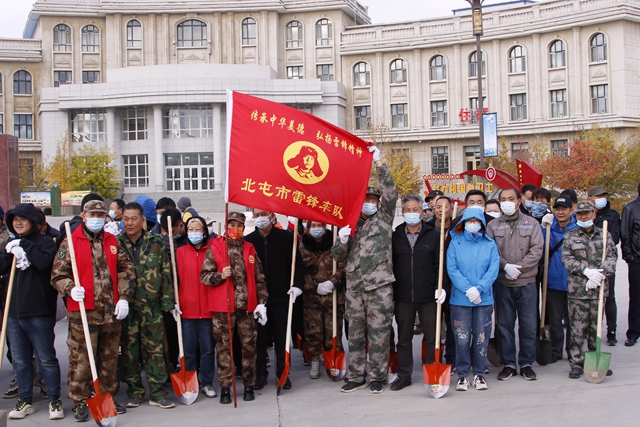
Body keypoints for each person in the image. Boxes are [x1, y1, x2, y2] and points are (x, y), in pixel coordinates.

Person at [51, 200, 135, 422]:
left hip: (110, 311)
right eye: (92, 214)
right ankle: (80, 399)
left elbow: (126, 270)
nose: (96, 218)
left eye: (100, 214)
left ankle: (106, 396)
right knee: (81, 358)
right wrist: (70, 289)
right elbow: (57, 275)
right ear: (83, 215)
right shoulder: (71, 241)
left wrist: (124, 298)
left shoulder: (112, 241)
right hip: (82, 312)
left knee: (109, 357)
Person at [332, 145, 397, 394]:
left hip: (379, 286)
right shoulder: (349, 223)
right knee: (355, 334)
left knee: (379, 333)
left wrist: (379, 164)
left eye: (373, 200)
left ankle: (377, 376)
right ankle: (357, 375)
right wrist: (342, 240)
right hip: (355, 287)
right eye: (366, 200)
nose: (369, 203)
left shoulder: (384, 219)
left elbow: (391, 193)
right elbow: (337, 256)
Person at [0, 203, 63, 420]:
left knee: (46, 359)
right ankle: (25, 399)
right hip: (14, 313)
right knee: (20, 360)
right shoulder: (10, 243)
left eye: (23, 219)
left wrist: (25, 245)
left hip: (39, 312)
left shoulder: (45, 243)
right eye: (15, 220)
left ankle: (54, 399)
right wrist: (9, 252)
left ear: (32, 222)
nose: (18, 223)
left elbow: (44, 263)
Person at [201, 212, 268, 403]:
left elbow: (259, 278)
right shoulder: (216, 247)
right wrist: (220, 275)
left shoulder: (249, 248)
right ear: (226, 226)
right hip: (223, 308)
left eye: (239, 225)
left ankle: (249, 385)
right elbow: (204, 276)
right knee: (224, 349)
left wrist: (262, 302)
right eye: (232, 225)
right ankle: (225, 387)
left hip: (246, 308)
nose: (235, 229)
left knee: (248, 347)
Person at [118, 202, 176, 409]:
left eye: (134, 219)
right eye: (126, 219)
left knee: (155, 350)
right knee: (130, 351)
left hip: (152, 306)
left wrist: (168, 301)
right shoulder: (116, 243)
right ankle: (135, 392)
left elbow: (166, 271)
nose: (129, 223)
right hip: (127, 307)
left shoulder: (155, 241)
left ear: (142, 220)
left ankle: (158, 393)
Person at [486, 188, 544, 381]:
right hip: (503, 283)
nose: (507, 202)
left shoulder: (532, 223)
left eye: (511, 199)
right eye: (503, 199)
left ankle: (527, 363)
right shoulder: (493, 226)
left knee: (528, 326)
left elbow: (537, 249)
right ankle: (509, 364)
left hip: (526, 282)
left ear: (519, 201)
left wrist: (519, 267)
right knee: (504, 326)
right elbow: (490, 250)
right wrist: (505, 266)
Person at [245, 208, 304, 391]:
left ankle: (283, 372)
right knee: (260, 339)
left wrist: (297, 285)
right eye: (256, 215)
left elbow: (298, 264)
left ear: (272, 216)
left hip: (281, 297)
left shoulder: (286, 238)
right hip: (258, 300)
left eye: (263, 214)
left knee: (281, 338)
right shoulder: (248, 241)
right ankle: (260, 374)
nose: (260, 218)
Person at [390, 195, 444, 391]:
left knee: (431, 337)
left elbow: (440, 265)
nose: (411, 213)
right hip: (403, 296)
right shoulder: (395, 236)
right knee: (404, 339)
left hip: (428, 295)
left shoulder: (434, 235)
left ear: (422, 212)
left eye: (415, 209)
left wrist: (441, 288)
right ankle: (404, 375)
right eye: (408, 210)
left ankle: (432, 372)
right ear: (402, 212)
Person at [562, 201, 617, 378]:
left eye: (587, 213)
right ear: (576, 215)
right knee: (578, 330)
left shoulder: (604, 235)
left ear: (594, 214)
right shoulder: (570, 236)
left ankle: (595, 359)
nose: (583, 216)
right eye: (580, 214)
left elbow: (612, 257)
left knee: (596, 329)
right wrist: (586, 271)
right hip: (578, 291)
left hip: (598, 291)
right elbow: (567, 259)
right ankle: (577, 363)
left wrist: (599, 275)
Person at [447, 208, 500, 391]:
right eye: (469, 221)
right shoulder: (455, 242)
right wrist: (467, 288)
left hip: (483, 300)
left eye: (476, 221)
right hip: (460, 299)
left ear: (482, 223)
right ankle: (462, 375)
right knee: (462, 338)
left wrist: (479, 289)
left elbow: (493, 268)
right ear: (463, 223)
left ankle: (479, 373)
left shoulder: (489, 244)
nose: (472, 224)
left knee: (481, 338)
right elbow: (452, 268)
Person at [175, 216, 217, 398]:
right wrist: (174, 302)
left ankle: (207, 382)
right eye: (190, 229)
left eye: (197, 229)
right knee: (189, 350)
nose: (194, 233)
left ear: (204, 232)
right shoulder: (179, 252)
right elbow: (174, 279)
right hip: (187, 310)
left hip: (208, 309)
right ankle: (191, 382)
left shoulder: (212, 251)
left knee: (208, 350)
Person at [299, 221, 345, 380]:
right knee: (313, 332)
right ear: (307, 229)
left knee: (333, 332)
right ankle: (315, 360)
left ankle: (333, 361)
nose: (316, 229)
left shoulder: (334, 244)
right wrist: (314, 286)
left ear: (325, 227)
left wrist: (333, 282)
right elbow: (299, 271)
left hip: (333, 297)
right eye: (313, 226)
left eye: (319, 225)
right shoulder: (302, 247)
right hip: (312, 298)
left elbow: (343, 266)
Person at [540, 196, 577, 363]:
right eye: (557, 209)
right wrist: (542, 228)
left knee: (572, 320)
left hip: (573, 282)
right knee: (555, 320)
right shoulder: (549, 228)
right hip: (553, 280)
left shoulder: (577, 229)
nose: (560, 212)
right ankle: (556, 350)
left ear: (571, 210)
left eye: (564, 209)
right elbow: (541, 247)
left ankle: (572, 350)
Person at [587, 186, 621, 346]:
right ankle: (591, 331)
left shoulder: (612, 215)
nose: (601, 199)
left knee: (609, 296)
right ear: (590, 199)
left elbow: (615, 237)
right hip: (588, 262)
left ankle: (611, 331)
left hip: (606, 260)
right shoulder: (586, 214)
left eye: (603, 196)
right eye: (597, 196)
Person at [159, 208, 187, 372]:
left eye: (174, 231)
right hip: (169, 296)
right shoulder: (159, 243)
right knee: (170, 333)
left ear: (181, 226)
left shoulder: (189, 240)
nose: (170, 234)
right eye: (166, 231)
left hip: (186, 293)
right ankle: (171, 364)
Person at [621, 183, 640, 346]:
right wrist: (629, 257)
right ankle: (633, 332)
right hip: (637, 259)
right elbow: (625, 234)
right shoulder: (631, 208)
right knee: (636, 298)